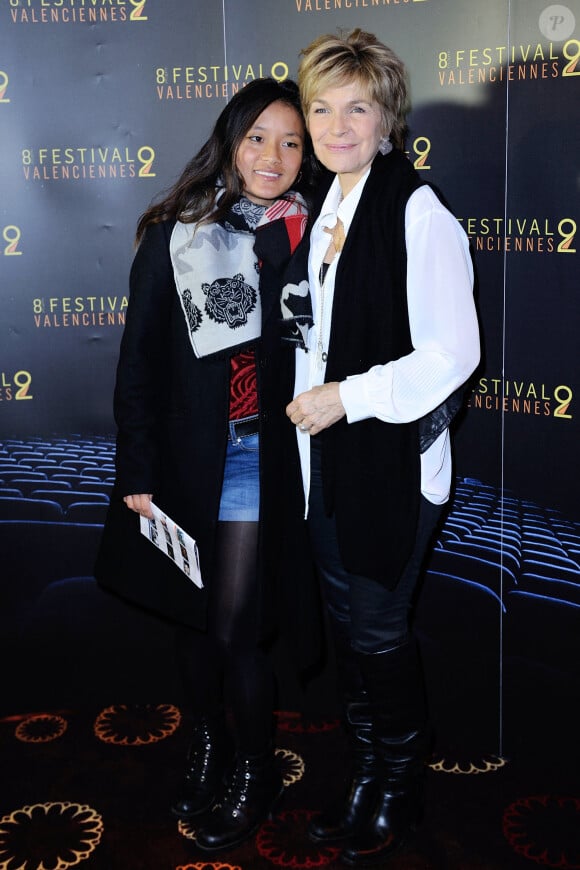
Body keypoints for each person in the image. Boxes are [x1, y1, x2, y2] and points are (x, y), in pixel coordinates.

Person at [95, 77, 320, 853]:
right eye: (258, 137)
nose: (274, 155)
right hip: (189, 458)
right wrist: (137, 469)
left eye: (292, 141)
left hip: (268, 462)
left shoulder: (319, 238)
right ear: (230, 141)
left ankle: (255, 768)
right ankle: (207, 742)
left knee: (237, 628)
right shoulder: (176, 233)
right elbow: (138, 366)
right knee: (191, 622)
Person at [285, 30, 481, 867]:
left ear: (386, 116)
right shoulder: (328, 203)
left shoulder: (415, 208)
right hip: (327, 467)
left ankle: (399, 788)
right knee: (351, 630)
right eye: (321, 107)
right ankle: (366, 775)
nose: (335, 125)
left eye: (355, 107)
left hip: (391, 468)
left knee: (377, 633)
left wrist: (347, 396)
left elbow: (452, 354)